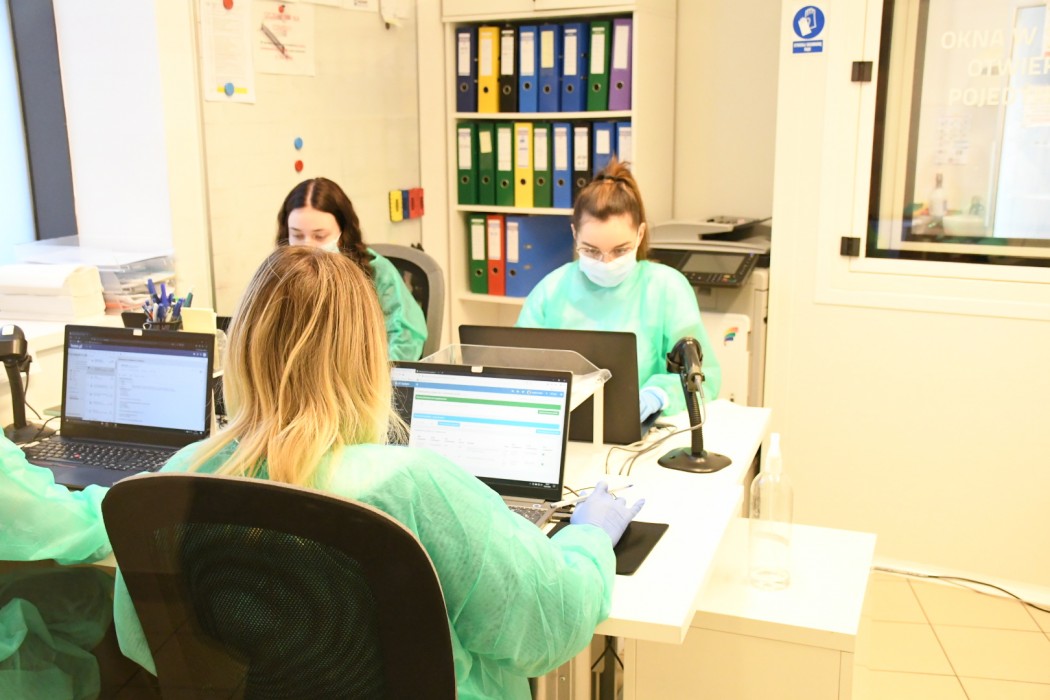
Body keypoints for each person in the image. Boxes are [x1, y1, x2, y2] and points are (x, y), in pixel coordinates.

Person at [113, 246, 644, 699]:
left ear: (245, 347)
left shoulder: (182, 474)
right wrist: (591, 536)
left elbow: (145, 641)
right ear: (369, 357)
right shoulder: (410, 484)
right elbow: (548, 628)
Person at [517, 159, 721, 420]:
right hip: (563, 428)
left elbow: (704, 376)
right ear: (574, 234)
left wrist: (659, 394)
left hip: (646, 429)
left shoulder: (667, 288)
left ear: (640, 234)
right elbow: (517, 368)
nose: (606, 262)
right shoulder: (551, 290)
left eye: (620, 250)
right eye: (591, 251)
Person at [275, 177, 428, 361]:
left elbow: (406, 341)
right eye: (297, 235)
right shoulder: (278, 276)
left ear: (343, 234)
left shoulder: (377, 273)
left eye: (319, 236)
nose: (307, 247)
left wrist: (371, 372)